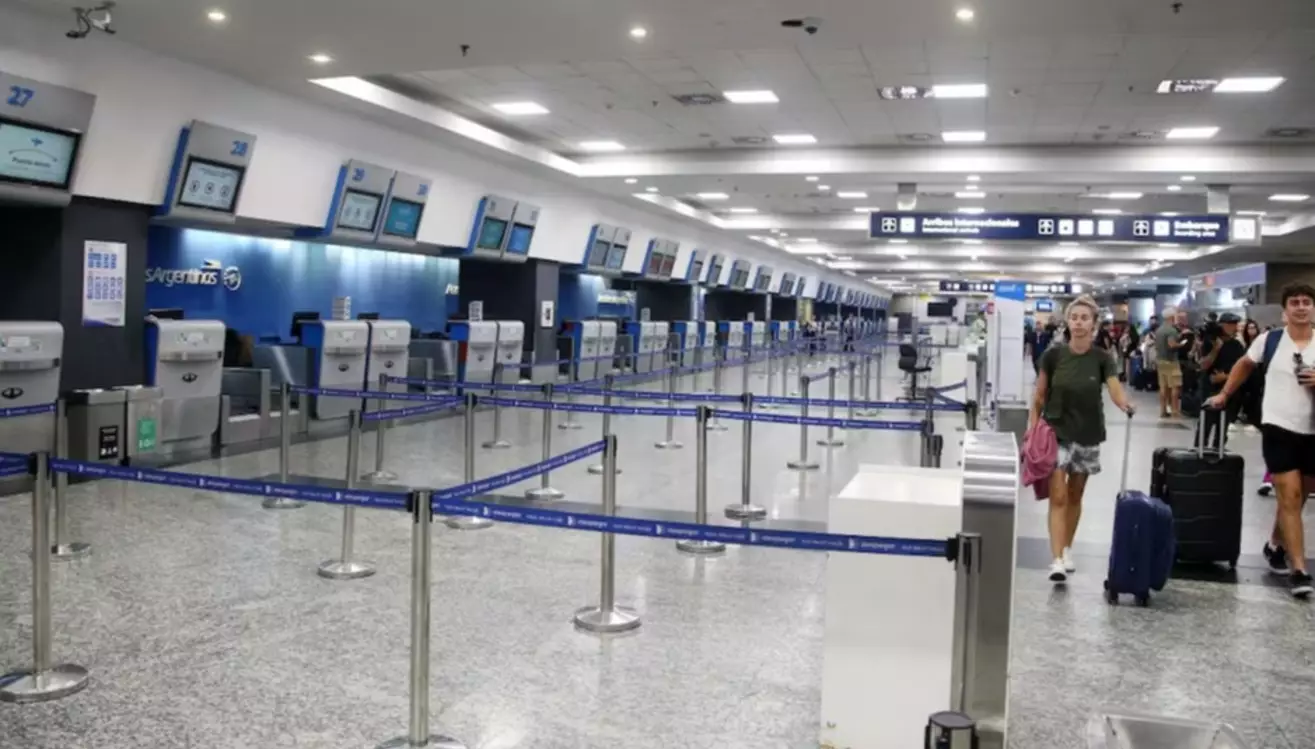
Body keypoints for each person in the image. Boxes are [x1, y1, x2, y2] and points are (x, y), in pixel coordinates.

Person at [1206, 283, 1315, 598]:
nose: (1301, 307)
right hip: (1278, 427)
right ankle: (1298, 570)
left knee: (1299, 497)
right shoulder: (1270, 340)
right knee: (1290, 497)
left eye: (1306, 302)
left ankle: (1274, 545)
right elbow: (1244, 364)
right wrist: (1225, 394)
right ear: (1285, 310)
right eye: (1294, 302)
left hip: (1312, 430)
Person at [1028, 295, 1136, 583]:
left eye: (1084, 318)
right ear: (1067, 322)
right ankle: (1056, 560)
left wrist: (1124, 403)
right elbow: (1039, 396)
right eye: (1074, 317)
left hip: (1088, 433)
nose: (1078, 323)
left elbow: (1114, 388)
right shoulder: (1053, 356)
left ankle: (1066, 548)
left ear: (1094, 324)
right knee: (1059, 495)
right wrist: (1032, 429)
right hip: (1055, 432)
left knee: (1075, 494)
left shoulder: (1102, 358)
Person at [1196, 313, 1244, 448]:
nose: (1233, 327)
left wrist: (1226, 377)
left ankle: (1218, 451)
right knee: (1205, 425)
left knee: (1222, 427)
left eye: (1235, 324)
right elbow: (1203, 365)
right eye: (1230, 324)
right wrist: (1216, 349)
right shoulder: (1210, 342)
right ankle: (1200, 451)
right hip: (1210, 389)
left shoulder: (1237, 345)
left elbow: (1242, 369)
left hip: (1228, 389)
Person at [1155, 309, 1187, 418]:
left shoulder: (1159, 330)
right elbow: (1172, 344)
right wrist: (1182, 344)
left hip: (1160, 361)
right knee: (1175, 386)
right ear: (1172, 317)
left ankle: (1163, 410)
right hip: (1171, 361)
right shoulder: (1171, 331)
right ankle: (1174, 411)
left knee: (1163, 387)